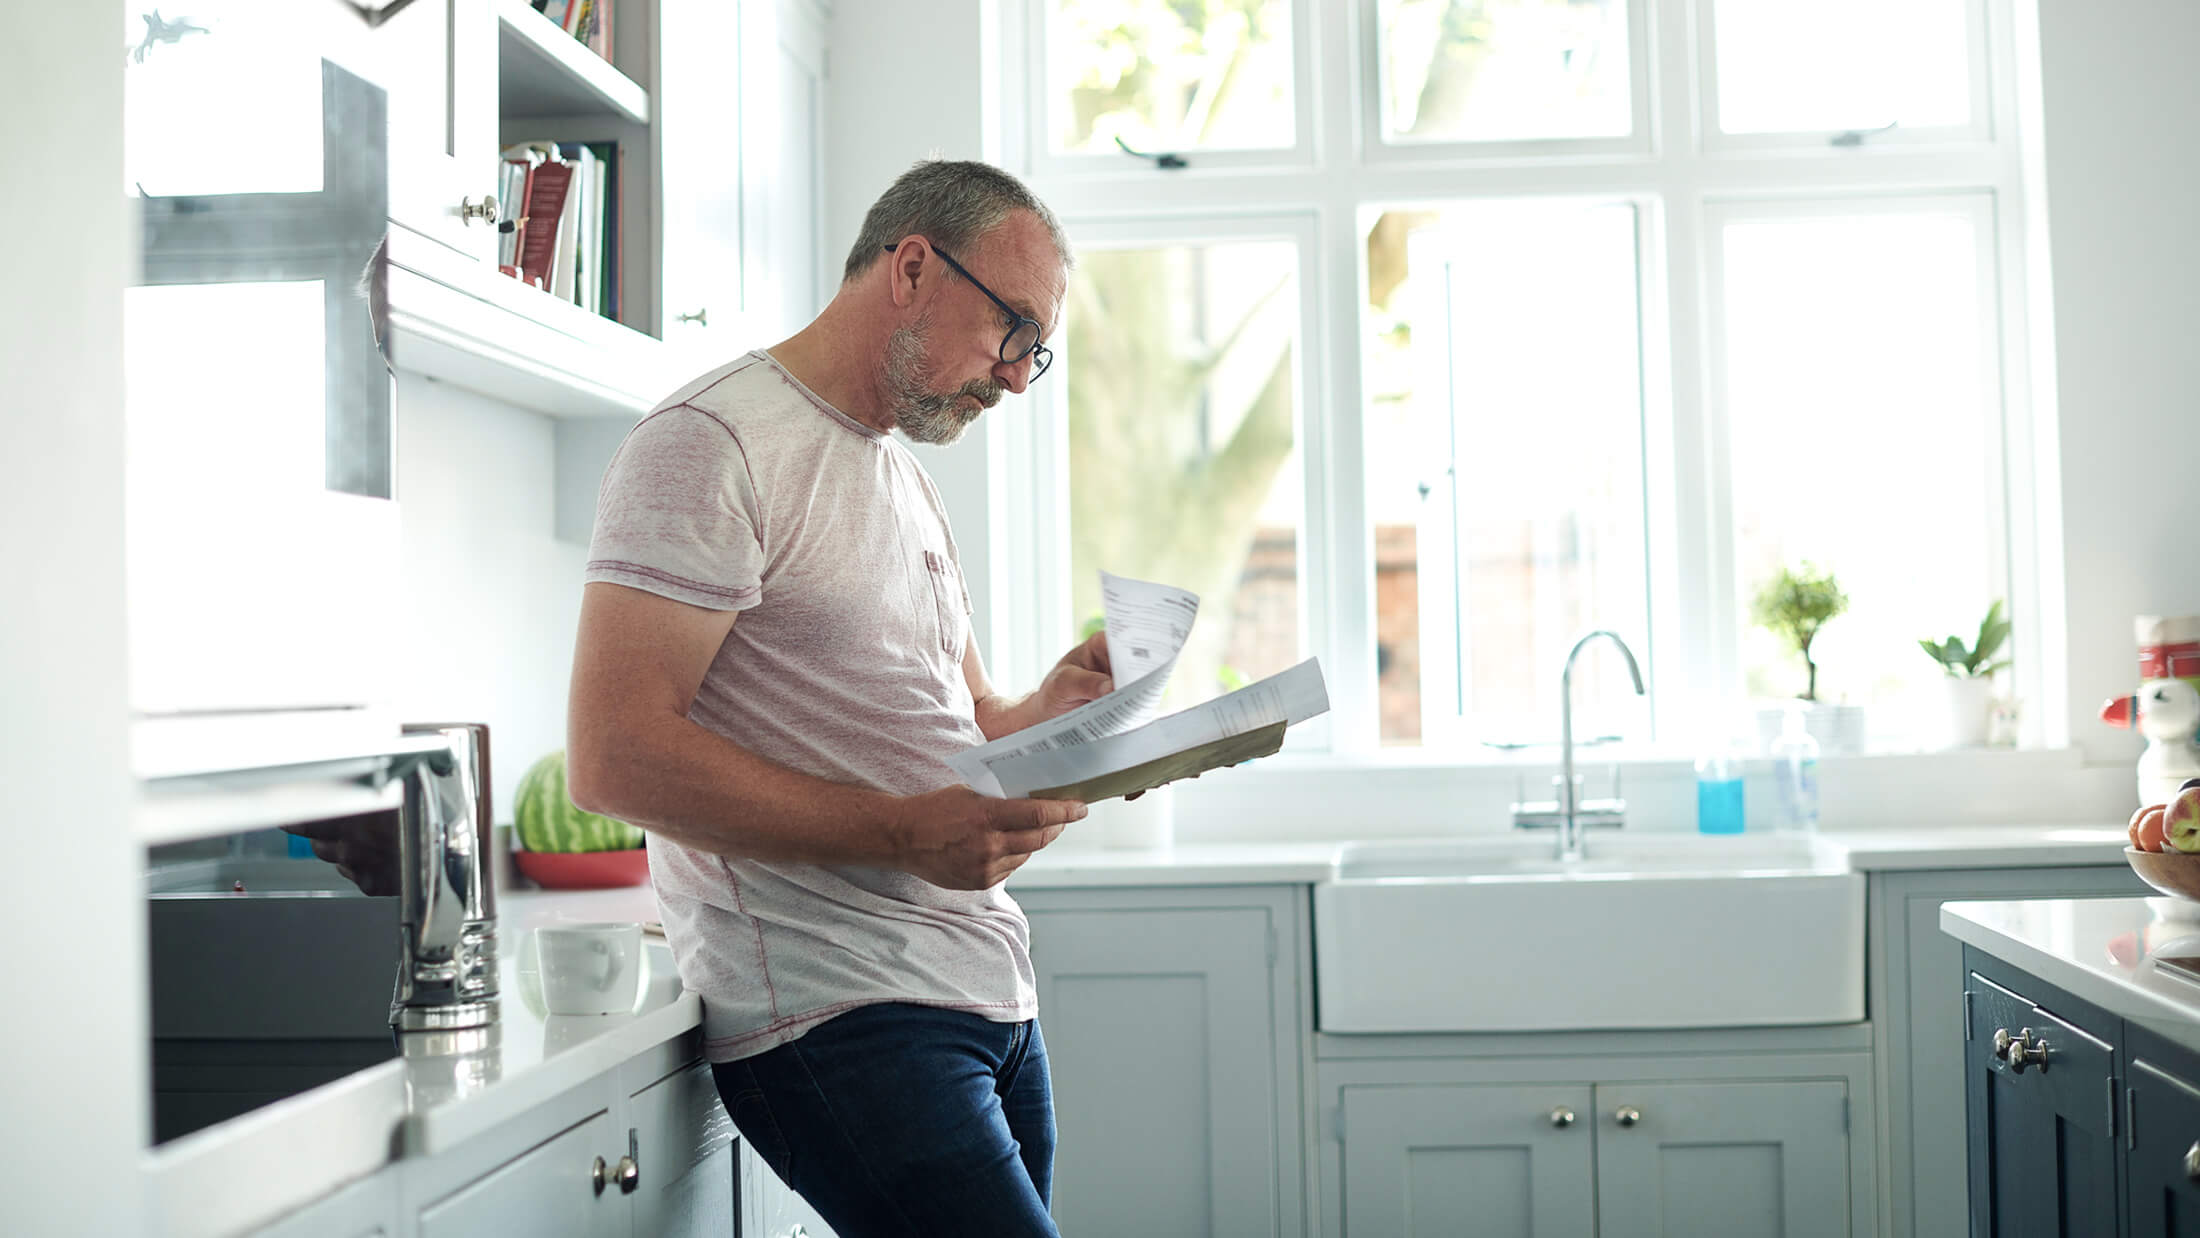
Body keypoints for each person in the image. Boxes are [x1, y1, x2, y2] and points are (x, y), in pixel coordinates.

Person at [564, 159, 1103, 1237]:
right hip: (840, 1010)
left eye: (1034, 352)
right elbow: (613, 755)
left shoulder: (900, 475)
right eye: (1012, 333)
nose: (1013, 379)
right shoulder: (710, 444)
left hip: (985, 992)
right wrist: (904, 832)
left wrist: (1059, 703)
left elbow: (959, 726)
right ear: (911, 267)